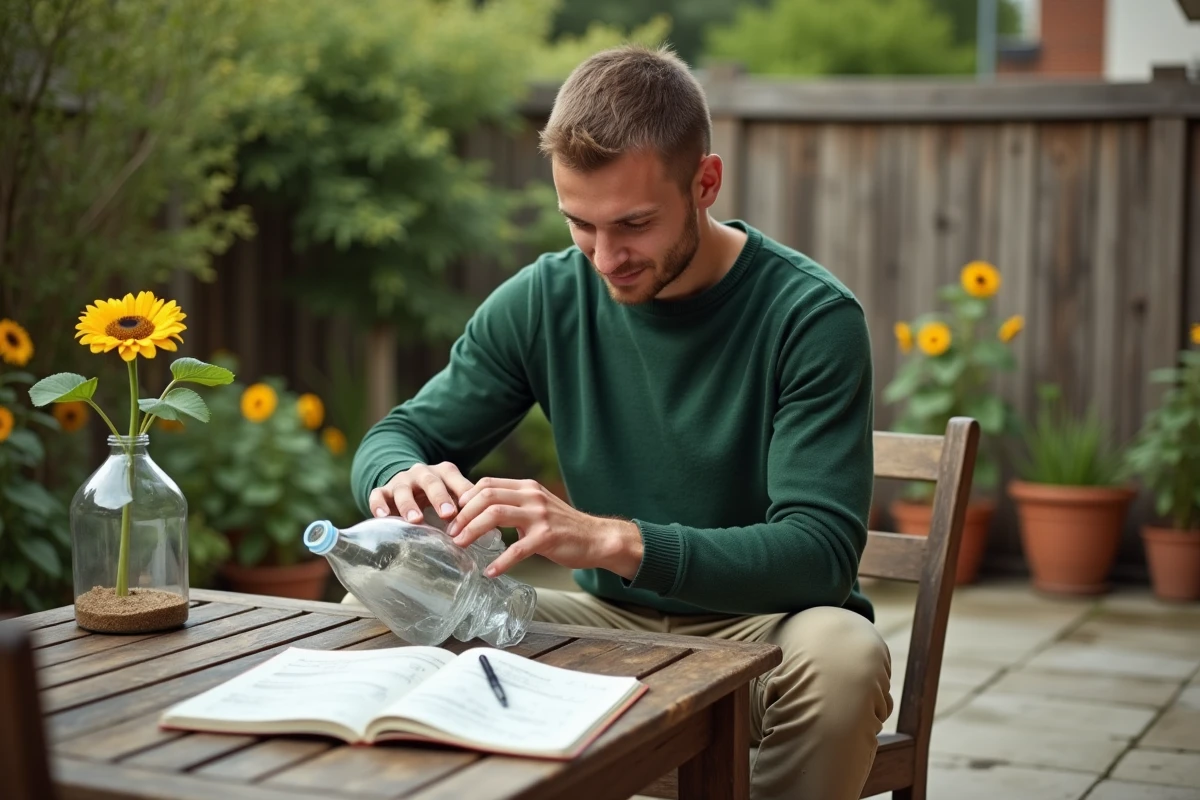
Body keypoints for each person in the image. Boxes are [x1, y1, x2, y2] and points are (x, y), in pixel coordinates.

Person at [347, 44, 892, 800]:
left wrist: (610, 539)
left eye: (633, 225)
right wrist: (401, 479)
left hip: (763, 628)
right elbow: (395, 436)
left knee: (845, 654)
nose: (605, 259)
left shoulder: (808, 316)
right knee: (375, 608)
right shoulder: (545, 300)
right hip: (600, 623)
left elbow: (818, 556)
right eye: (580, 224)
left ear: (705, 183)